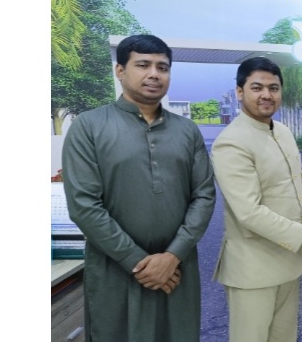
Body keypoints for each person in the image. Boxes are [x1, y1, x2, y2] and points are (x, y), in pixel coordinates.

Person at [62, 34, 216, 342]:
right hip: (115, 270)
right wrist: (137, 262)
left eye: (163, 67)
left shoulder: (187, 131)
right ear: (120, 71)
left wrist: (172, 256)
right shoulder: (89, 126)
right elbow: (84, 205)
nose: (154, 74)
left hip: (177, 270)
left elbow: (204, 195)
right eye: (143, 65)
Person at [211, 56, 302, 342]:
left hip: (289, 263)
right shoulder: (231, 142)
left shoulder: (282, 132)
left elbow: (290, 185)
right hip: (254, 269)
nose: (267, 95)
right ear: (239, 92)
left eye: (273, 88)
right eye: (257, 87)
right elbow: (249, 212)